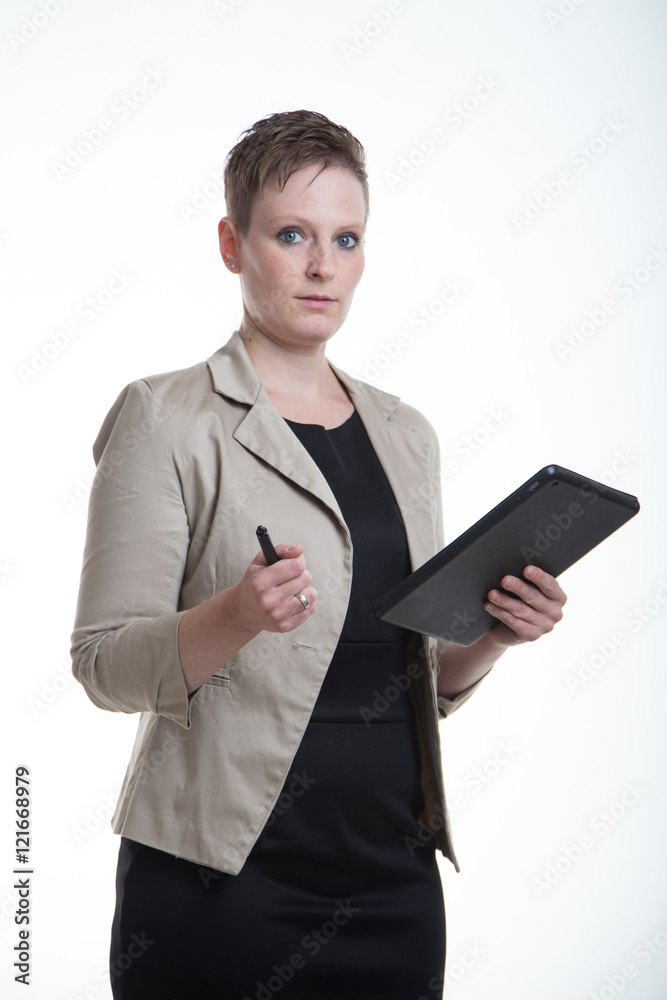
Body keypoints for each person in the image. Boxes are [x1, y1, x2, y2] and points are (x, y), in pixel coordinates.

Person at [71, 110, 567, 999]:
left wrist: (491, 636)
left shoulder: (406, 435)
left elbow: (403, 677)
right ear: (233, 243)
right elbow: (104, 665)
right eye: (290, 234)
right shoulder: (165, 417)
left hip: (394, 880)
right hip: (220, 883)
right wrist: (234, 614)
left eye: (345, 238)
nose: (320, 265)